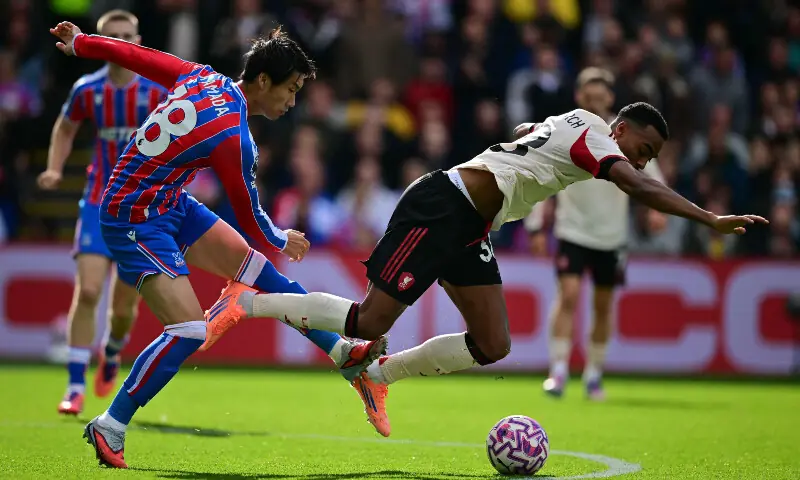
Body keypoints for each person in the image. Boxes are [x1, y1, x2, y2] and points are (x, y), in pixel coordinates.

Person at [204, 102, 768, 438]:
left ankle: (376, 378)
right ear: (620, 129)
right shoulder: (598, 136)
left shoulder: (575, 123)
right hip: (443, 205)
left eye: (650, 155)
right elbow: (634, 184)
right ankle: (245, 300)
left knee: (494, 342)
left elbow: (529, 134)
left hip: (472, 226)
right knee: (368, 321)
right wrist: (708, 218)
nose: (643, 161)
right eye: (642, 147)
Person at [49, 21, 386, 469]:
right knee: (189, 330)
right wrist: (282, 237)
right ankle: (111, 424)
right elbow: (248, 216)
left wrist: (83, 43)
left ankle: (344, 355)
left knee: (263, 277)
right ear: (263, 81)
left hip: (168, 200)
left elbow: (142, 57)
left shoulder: (202, 76)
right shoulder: (233, 136)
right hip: (133, 216)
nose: (292, 102)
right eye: (290, 90)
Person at [37, 10, 168, 416]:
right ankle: (75, 385)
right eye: (113, 36)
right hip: (97, 200)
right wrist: (55, 168)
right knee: (89, 290)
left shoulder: (156, 91)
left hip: (139, 210)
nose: (121, 42)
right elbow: (64, 127)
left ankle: (111, 351)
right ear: (101, 40)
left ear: (138, 39)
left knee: (123, 309)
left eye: (127, 36)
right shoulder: (87, 90)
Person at [525, 68, 666, 401]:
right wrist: (535, 225)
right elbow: (541, 174)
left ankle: (593, 374)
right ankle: (558, 371)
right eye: (590, 91)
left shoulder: (624, 139)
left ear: (611, 98)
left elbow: (652, 181)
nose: (596, 97)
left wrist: (656, 210)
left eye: (602, 91)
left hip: (611, 236)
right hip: (572, 230)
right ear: (579, 97)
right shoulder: (565, 129)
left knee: (603, 305)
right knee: (569, 295)